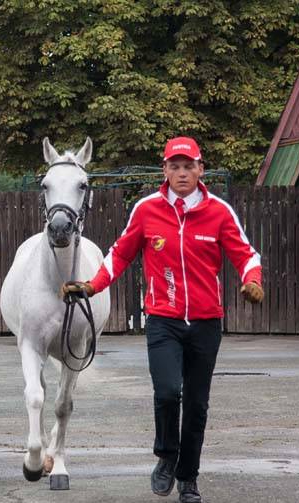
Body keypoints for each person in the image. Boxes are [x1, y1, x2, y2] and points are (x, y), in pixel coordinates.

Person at [62, 136, 264, 503]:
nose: (182, 173)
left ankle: (188, 479)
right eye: (175, 166)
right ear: (165, 171)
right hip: (163, 320)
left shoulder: (219, 212)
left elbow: (246, 254)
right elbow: (119, 254)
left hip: (205, 323)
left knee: (197, 406)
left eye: (189, 166)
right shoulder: (146, 210)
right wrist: (91, 285)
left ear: (201, 170)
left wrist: (253, 280)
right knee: (168, 392)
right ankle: (167, 455)